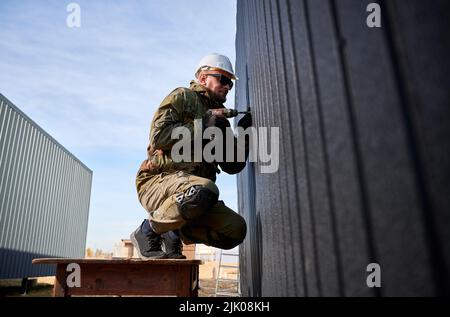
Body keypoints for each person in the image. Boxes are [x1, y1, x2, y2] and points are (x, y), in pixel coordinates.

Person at [131, 53, 252, 259]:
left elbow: (233, 166)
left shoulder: (220, 118)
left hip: (195, 196)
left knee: (235, 229)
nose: (227, 87)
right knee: (204, 188)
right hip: (157, 183)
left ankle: (174, 231)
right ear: (203, 78)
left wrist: (243, 135)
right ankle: (147, 231)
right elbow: (159, 137)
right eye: (223, 79)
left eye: (230, 84)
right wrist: (203, 124)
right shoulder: (183, 97)